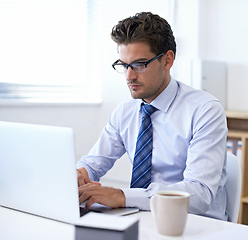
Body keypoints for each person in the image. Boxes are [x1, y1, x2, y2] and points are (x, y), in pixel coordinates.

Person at [77, 12, 228, 220]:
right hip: (139, 218)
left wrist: (122, 196)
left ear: (167, 60)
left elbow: (200, 194)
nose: (129, 76)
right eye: (124, 65)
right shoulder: (125, 111)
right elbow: (93, 164)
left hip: (194, 224)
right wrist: (80, 174)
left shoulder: (205, 110)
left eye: (139, 64)